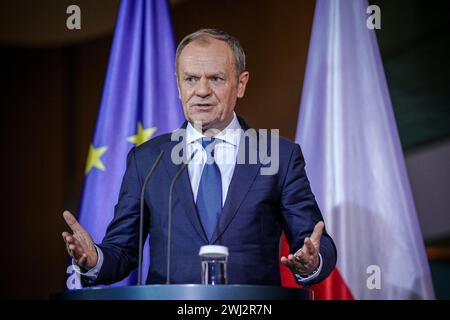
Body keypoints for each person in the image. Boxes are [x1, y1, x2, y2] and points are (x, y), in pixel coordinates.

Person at [62, 28, 337, 287]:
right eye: (191, 79)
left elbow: (314, 241)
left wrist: (311, 261)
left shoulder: (279, 156)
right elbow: (122, 251)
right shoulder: (147, 159)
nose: (202, 91)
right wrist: (95, 260)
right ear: (179, 86)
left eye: (216, 78)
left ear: (240, 84)